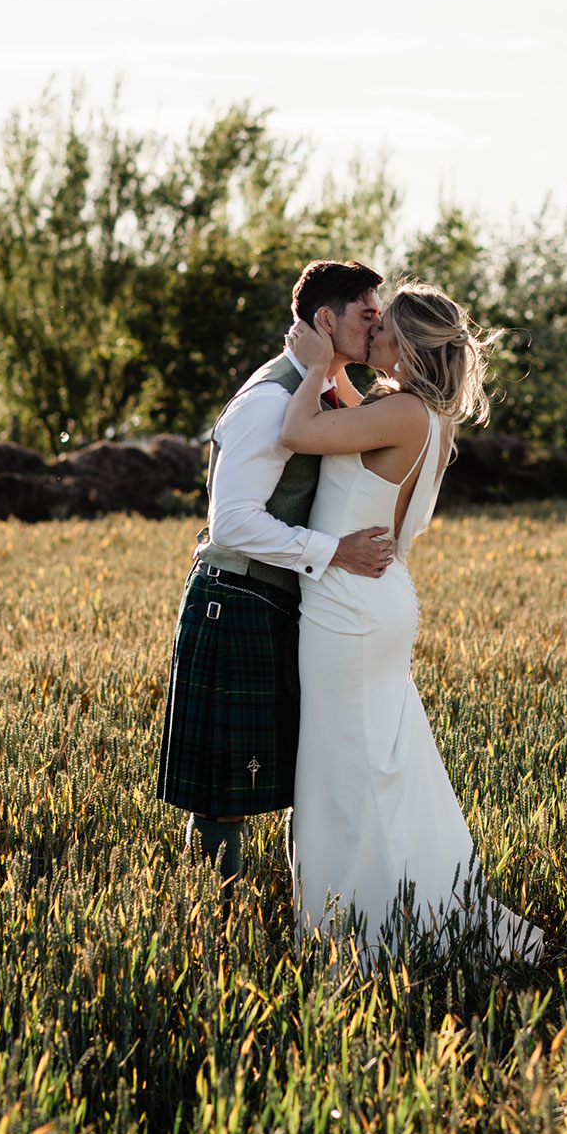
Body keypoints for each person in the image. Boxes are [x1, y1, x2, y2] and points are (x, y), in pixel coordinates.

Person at [281, 281, 544, 964]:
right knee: (384, 763)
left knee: (345, 768)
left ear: (408, 348)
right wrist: (333, 374)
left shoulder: (399, 413)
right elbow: (346, 420)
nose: (373, 337)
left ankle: (368, 931)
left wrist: (314, 368)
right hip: (376, 598)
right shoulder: (417, 414)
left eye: (384, 330)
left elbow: (298, 432)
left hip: (350, 608)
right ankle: (409, 912)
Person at [156, 260, 395, 889]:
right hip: (234, 601)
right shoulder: (269, 403)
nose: (378, 328)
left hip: (276, 604)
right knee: (223, 799)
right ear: (325, 319)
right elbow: (233, 524)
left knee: (291, 778)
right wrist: (336, 551)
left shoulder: (317, 392)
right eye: (368, 316)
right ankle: (216, 930)